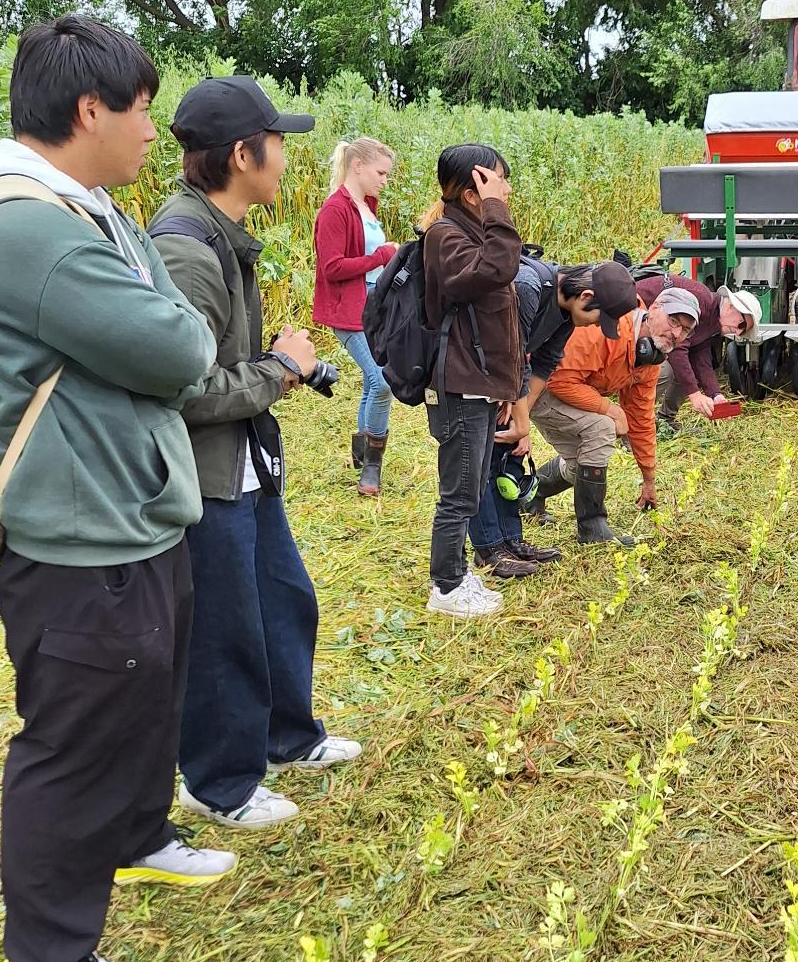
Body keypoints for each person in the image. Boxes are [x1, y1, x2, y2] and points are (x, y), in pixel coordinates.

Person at [0, 17, 228, 962]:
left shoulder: (89, 206)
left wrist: (162, 314)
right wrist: (165, 322)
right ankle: (47, 955)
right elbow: (176, 350)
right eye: (142, 110)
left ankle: (140, 838)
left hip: (131, 512)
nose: (154, 132)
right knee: (73, 739)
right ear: (89, 111)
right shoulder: (27, 222)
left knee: (140, 705)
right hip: (78, 533)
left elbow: (169, 321)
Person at [152, 77, 362, 832]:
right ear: (243, 155)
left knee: (281, 601)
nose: (284, 157)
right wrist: (282, 370)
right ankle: (220, 783)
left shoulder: (218, 231)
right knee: (223, 631)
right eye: (277, 143)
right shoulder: (186, 247)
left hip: (245, 463)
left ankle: (285, 737)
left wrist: (271, 360)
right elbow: (185, 389)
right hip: (205, 474)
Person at [419, 142, 523, 619]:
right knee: (458, 490)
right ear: (470, 190)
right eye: (494, 182)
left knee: (474, 480)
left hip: (480, 382)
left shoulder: (470, 230)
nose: (504, 189)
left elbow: (498, 320)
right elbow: (499, 268)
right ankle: (445, 585)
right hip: (459, 383)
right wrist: (498, 209)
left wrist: (503, 388)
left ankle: (457, 574)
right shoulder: (445, 235)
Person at [469, 257, 617, 579]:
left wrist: (521, 419)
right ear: (586, 296)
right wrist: (519, 416)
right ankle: (489, 549)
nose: (593, 327)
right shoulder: (527, 286)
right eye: (596, 319)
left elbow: (543, 364)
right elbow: (513, 354)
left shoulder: (567, 312)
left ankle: (511, 540)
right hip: (470, 378)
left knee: (509, 459)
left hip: (504, 384)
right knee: (477, 466)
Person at [528, 284, 699, 546]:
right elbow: (560, 380)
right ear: (653, 310)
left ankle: (531, 495)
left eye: (685, 330)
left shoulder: (650, 356)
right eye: (673, 320)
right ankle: (592, 528)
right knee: (602, 427)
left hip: (569, 389)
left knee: (583, 465)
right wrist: (610, 409)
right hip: (537, 388)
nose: (676, 333)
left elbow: (641, 419)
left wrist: (649, 479)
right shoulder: (605, 330)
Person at [313, 136, 398, 496]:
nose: (384, 180)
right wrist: (382, 256)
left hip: (373, 307)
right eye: (380, 172)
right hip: (348, 313)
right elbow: (332, 268)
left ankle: (362, 455)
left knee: (370, 381)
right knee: (383, 382)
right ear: (357, 165)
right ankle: (372, 468)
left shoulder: (367, 206)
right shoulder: (335, 210)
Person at [633, 271, 761, 429]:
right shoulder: (701, 301)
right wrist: (694, 394)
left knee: (685, 373)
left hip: (648, 338)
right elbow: (677, 349)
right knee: (665, 371)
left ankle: (665, 419)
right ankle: (634, 419)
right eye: (741, 325)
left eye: (743, 331)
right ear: (730, 306)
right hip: (630, 325)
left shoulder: (713, 319)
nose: (738, 333)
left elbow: (701, 356)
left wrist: (715, 394)